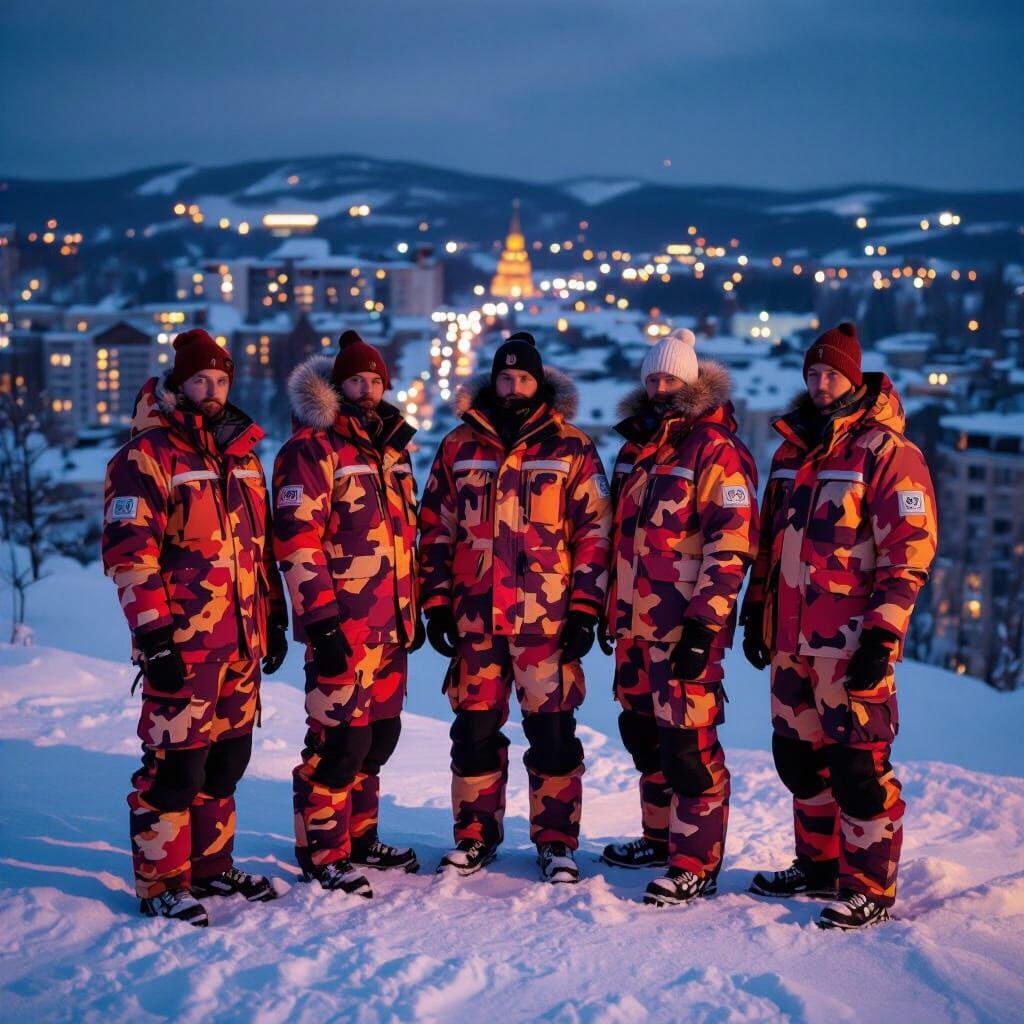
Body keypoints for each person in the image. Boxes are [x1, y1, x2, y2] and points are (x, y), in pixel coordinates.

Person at [740, 321, 937, 929]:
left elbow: (910, 552)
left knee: (858, 766)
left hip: (850, 646)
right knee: (799, 761)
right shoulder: (790, 449)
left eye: (832, 374)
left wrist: (884, 633)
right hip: (791, 642)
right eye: (813, 374)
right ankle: (819, 865)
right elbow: (768, 545)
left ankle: (870, 885)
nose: (821, 384)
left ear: (855, 377)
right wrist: (756, 615)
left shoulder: (887, 452)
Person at [102, 328, 287, 926]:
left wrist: (274, 617)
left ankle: (210, 867)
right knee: (173, 766)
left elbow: (259, 549)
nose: (210, 390)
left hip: (241, 642)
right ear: (179, 384)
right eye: (200, 380)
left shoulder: (243, 455)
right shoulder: (146, 455)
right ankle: (161, 883)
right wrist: (154, 638)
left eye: (220, 381)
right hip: (181, 645)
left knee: (225, 763)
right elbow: (131, 555)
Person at [419, 331, 611, 883]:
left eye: (523, 378)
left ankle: (556, 842)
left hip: (545, 622)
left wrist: (583, 611)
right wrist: (435, 605)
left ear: (540, 382)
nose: (513, 386)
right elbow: (435, 528)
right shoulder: (459, 446)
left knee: (553, 735)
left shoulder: (570, 447)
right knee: (474, 732)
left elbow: (595, 533)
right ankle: (475, 836)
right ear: (492, 381)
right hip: (475, 619)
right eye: (505, 377)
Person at [600, 329, 758, 905]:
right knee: (645, 738)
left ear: (691, 381)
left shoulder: (716, 449)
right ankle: (659, 836)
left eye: (670, 378)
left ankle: (696, 862)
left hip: (686, 627)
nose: (661, 387)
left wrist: (705, 624)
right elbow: (615, 536)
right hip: (635, 627)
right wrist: (608, 608)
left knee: (689, 749)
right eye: (653, 379)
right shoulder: (635, 448)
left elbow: (732, 543)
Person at [273, 330, 422, 899]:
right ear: (336, 385)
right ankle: (324, 851)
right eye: (355, 380)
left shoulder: (392, 449)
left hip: (391, 625)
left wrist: (412, 609)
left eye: (375, 381)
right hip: (341, 626)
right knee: (336, 745)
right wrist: (322, 623)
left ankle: (359, 838)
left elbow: (404, 535)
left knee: (377, 741)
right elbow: (297, 542)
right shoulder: (312, 450)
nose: (365, 389)